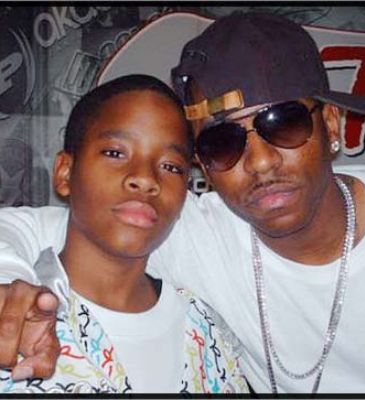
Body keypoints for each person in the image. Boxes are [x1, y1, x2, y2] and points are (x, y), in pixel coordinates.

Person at [0, 11, 365, 394]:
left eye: (284, 123)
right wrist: (7, 280)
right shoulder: (193, 232)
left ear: (330, 124)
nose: (260, 162)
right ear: (203, 167)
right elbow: (49, 227)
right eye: (222, 143)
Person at [0, 74, 248, 394]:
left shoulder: (206, 331)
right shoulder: (14, 313)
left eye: (171, 166)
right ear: (64, 172)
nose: (145, 179)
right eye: (115, 153)